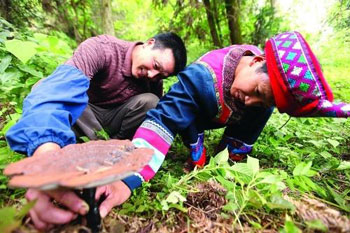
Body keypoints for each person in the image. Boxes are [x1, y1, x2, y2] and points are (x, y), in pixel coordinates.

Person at [123, 30, 350, 199]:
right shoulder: (200, 77)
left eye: (265, 99)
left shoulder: (260, 97)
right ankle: (195, 141)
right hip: (197, 109)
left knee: (257, 114)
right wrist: (129, 176)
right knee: (192, 139)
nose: (251, 101)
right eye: (258, 91)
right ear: (256, 61)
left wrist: (228, 165)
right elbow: (164, 119)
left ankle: (230, 155)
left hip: (223, 110)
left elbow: (261, 103)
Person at [5, 32, 187, 230]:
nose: (152, 75)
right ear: (149, 43)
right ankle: (61, 148)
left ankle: (110, 156)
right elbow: (57, 91)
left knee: (152, 102)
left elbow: (152, 121)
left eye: (161, 75)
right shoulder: (102, 49)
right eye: (156, 65)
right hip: (84, 114)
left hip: (115, 131)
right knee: (44, 87)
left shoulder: (153, 82)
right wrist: (47, 160)